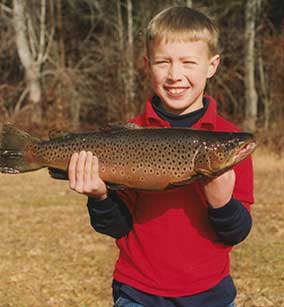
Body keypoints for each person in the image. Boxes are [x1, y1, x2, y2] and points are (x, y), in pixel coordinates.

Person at [68, 6, 254, 307]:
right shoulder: (133, 133)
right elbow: (117, 227)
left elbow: (237, 233)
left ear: (212, 65)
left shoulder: (228, 141)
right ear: (147, 65)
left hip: (211, 296)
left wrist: (221, 202)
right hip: (138, 294)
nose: (174, 75)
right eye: (163, 62)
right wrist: (99, 197)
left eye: (188, 62)